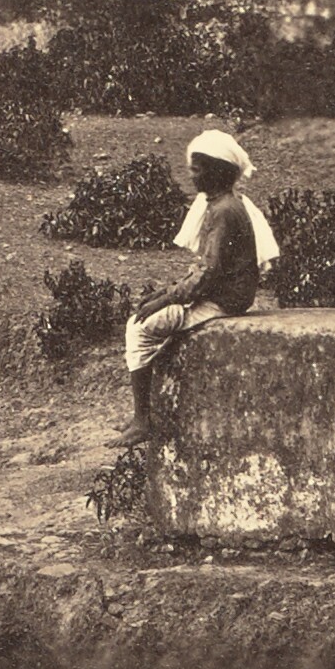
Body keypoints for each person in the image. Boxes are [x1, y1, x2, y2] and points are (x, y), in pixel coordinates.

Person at [121, 129, 280, 440]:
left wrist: (165, 301)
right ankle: (145, 412)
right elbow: (206, 269)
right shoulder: (224, 205)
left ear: (217, 172)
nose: (191, 176)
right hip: (224, 293)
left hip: (223, 300)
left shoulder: (223, 211)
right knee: (150, 319)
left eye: (197, 169)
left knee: (138, 328)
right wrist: (167, 293)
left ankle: (142, 421)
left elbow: (208, 274)